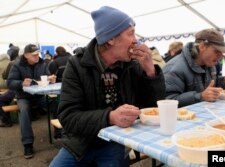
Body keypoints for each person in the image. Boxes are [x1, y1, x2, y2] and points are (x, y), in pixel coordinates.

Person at [49, 6, 166, 167]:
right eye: (130, 33)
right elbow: (68, 117)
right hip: (80, 143)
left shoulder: (131, 65)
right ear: (111, 39)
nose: (136, 40)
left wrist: (150, 72)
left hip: (115, 141)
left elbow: (153, 107)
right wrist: (110, 117)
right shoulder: (77, 65)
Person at [163, 28, 225, 107]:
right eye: (217, 51)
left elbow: (210, 85)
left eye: (222, 52)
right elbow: (168, 101)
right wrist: (200, 96)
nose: (221, 56)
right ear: (202, 47)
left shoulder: (210, 63)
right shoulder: (174, 68)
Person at [7, 44, 56, 159]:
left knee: (56, 104)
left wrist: (52, 79)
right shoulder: (17, 65)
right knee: (24, 111)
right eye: (34, 55)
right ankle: (28, 144)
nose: (37, 57)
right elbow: (10, 82)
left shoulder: (42, 63)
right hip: (23, 96)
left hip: (39, 95)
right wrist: (21, 83)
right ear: (26, 55)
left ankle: (59, 130)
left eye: (38, 54)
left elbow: (48, 76)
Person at [0, 53, 15, 127]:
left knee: (1, 99)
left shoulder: (12, 63)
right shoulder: (10, 62)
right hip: (10, 86)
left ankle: (5, 120)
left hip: (9, 86)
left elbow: (4, 76)